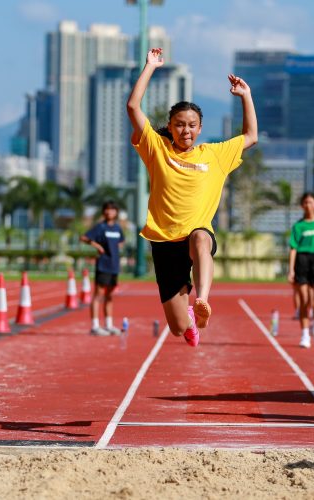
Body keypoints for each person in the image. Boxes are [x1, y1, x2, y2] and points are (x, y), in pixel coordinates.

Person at [127, 47, 258, 347]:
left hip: (195, 235)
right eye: (179, 124)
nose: (186, 130)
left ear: (200, 128)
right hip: (163, 240)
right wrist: (150, 67)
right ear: (170, 127)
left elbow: (251, 136)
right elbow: (134, 107)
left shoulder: (214, 154)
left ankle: (203, 300)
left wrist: (246, 96)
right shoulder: (156, 147)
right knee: (175, 328)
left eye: (192, 125)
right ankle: (188, 315)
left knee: (201, 237)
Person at [288, 193, 314, 348]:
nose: (308, 205)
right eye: (305, 202)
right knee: (305, 301)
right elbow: (293, 248)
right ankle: (305, 334)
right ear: (302, 206)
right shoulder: (298, 226)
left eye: (310, 202)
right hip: (302, 261)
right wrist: (291, 270)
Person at [80, 201, 125, 336]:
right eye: (106, 209)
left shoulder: (117, 228)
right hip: (103, 265)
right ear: (103, 212)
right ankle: (95, 326)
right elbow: (83, 237)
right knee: (98, 295)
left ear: (116, 212)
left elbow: (122, 240)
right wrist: (97, 246)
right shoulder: (100, 227)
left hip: (114, 265)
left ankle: (109, 325)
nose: (109, 212)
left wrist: (118, 247)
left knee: (110, 296)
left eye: (112, 210)